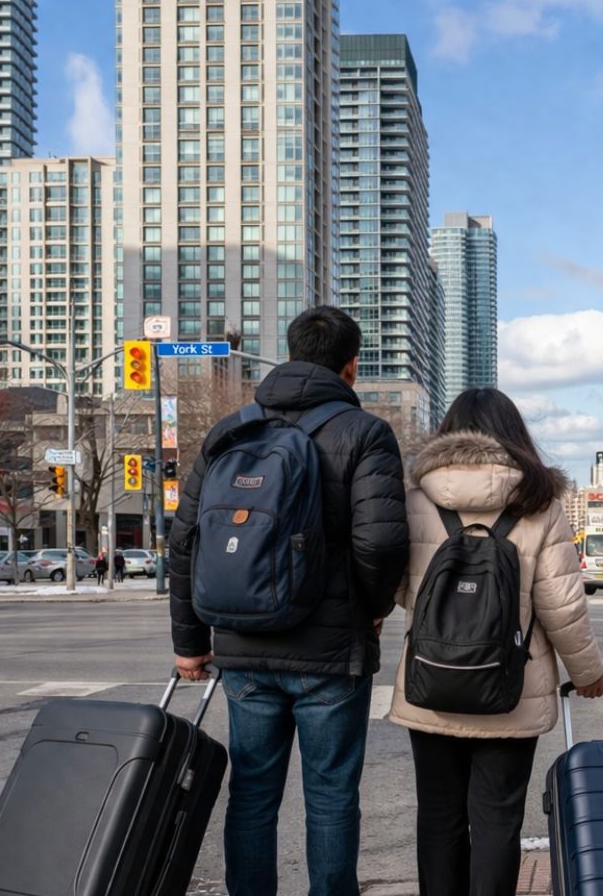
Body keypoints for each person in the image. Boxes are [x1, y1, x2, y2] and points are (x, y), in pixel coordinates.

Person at [167, 306, 410, 896]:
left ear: (291, 356)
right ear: (350, 367)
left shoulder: (231, 430)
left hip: (244, 649)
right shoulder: (365, 434)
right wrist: (372, 608)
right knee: (330, 796)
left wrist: (189, 643)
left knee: (251, 793)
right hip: (330, 652)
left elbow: (185, 540)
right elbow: (379, 541)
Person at [389, 389, 603, 896]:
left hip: (430, 680)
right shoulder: (539, 501)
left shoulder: (416, 497)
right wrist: (587, 672)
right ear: (514, 435)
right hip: (512, 688)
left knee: (439, 816)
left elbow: (398, 587)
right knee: (497, 820)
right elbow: (562, 605)